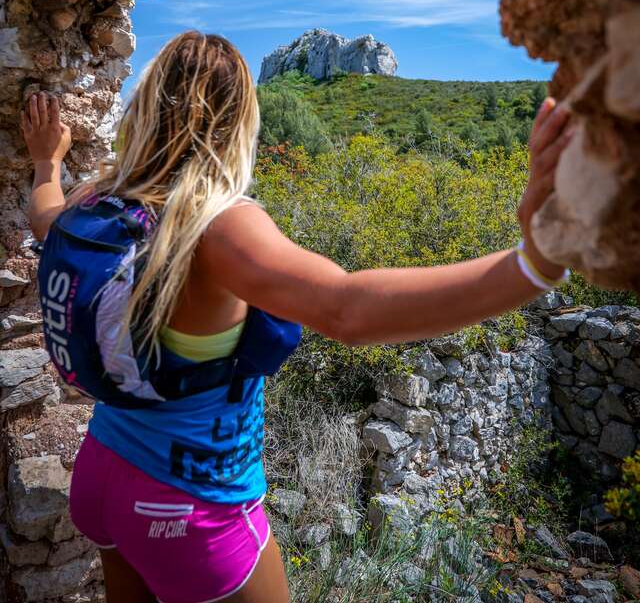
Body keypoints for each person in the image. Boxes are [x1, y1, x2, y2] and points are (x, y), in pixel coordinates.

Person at [22, 31, 572, 603]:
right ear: (238, 121)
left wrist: (46, 161)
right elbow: (346, 308)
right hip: (187, 505)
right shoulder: (215, 225)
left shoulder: (97, 201)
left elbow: (46, 218)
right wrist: (531, 265)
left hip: (102, 472)